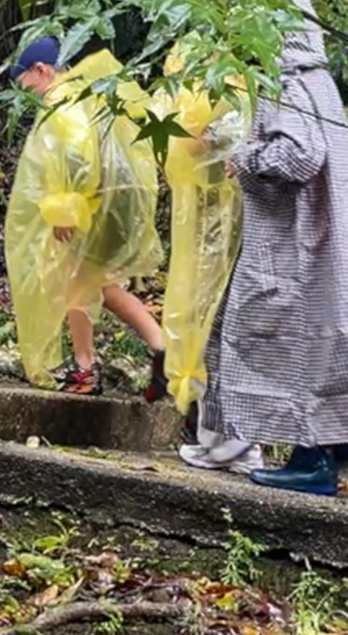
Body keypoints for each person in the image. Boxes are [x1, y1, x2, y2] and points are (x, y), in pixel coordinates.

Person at [186, 0, 348, 494]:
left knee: (276, 342)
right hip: (330, 242)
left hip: (297, 245)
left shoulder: (284, 82)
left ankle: (313, 458)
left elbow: (299, 156)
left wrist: (245, 160)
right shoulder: (319, 80)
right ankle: (342, 442)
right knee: (326, 345)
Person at [5, 37, 165, 395]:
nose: (26, 93)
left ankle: (86, 368)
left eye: (24, 83)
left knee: (77, 278)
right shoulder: (89, 95)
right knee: (94, 282)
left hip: (91, 206)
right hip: (108, 204)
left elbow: (78, 154)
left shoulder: (64, 101)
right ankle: (160, 347)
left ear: (41, 70)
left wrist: (65, 208)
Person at [146, 37, 250, 450]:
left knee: (211, 316)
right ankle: (204, 420)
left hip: (225, 217)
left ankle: (217, 427)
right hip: (205, 215)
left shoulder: (229, 90)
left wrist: (188, 134)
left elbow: (190, 145)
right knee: (197, 314)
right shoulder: (232, 84)